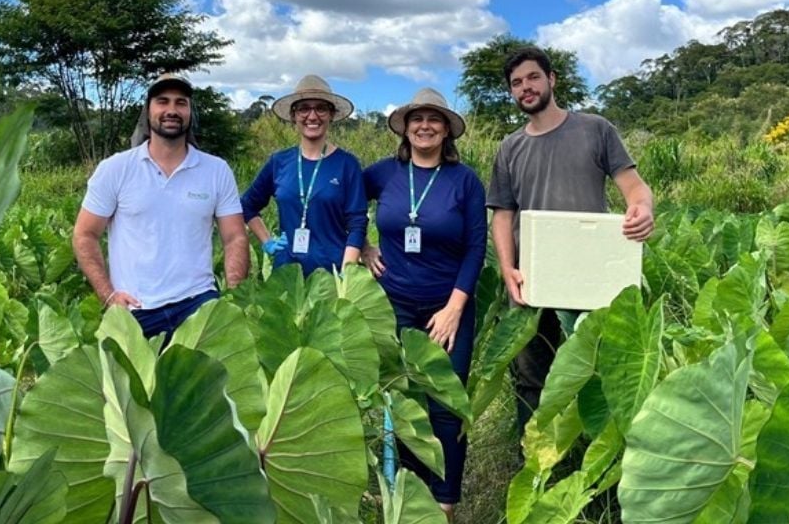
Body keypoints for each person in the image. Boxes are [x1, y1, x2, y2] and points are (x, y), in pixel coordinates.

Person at [486, 47, 654, 431]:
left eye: (532, 77)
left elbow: (635, 188)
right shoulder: (510, 147)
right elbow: (502, 214)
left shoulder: (595, 129)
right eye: (516, 83)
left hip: (591, 274)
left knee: (594, 371)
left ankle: (588, 459)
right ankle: (533, 456)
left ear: (552, 79)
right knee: (532, 375)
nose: (525, 88)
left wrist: (642, 210)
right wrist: (507, 268)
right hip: (534, 276)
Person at [363, 88, 486, 520]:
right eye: (417, 119)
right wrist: (362, 245)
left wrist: (454, 308)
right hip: (394, 303)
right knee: (404, 401)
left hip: (447, 306)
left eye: (434, 119)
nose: (425, 126)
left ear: (447, 129)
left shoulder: (464, 180)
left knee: (446, 405)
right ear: (405, 126)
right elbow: (344, 205)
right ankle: (408, 494)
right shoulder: (384, 173)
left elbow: (475, 247)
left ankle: (445, 500)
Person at [73, 73, 249, 341]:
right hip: (135, 308)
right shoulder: (116, 169)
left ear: (190, 112)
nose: (171, 110)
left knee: (212, 383)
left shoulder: (216, 170)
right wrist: (108, 295)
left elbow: (235, 236)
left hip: (199, 304)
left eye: (181, 103)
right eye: (162, 101)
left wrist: (233, 296)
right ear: (148, 110)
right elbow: (85, 234)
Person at [242, 74, 368, 275]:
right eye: (304, 108)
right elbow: (247, 205)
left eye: (321, 108)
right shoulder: (279, 162)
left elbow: (357, 223)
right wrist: (267, 241)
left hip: (332, 274)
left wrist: (347, 271)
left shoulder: (347, 164)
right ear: (293, 116)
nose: (312, 116)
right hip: (287, 275)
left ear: (331, 115)